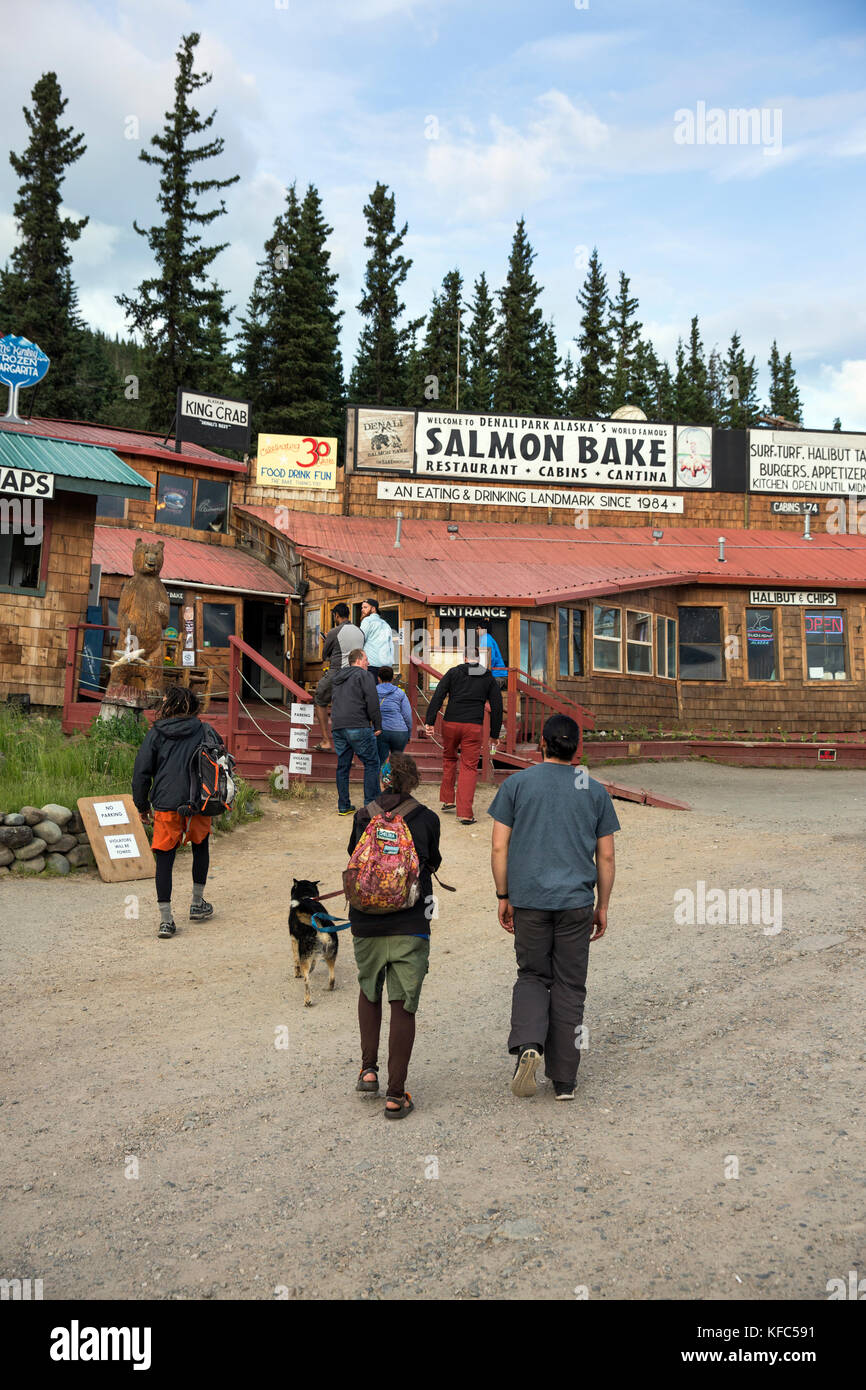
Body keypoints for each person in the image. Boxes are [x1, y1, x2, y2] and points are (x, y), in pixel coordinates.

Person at [488, 713, 619, 1101]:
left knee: (532, 975)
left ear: (541, 744)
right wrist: (603, 905)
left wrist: (503, 895)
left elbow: (499, 846)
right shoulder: (593, 790)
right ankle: (564, 1079)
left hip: (529, 900)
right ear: (576, 748)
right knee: (569, 985)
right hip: (576, 902)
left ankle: (529, 1043)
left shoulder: (517, 784)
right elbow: (606, 858)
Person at [349, 753, 441, 1118]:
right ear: (414, 782)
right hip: (410, 922)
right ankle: (395, 1094)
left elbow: (353, 858)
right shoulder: (428, 819)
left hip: (366, 920)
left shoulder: (362, 816)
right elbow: (431, 861)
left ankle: (368, 1070)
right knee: (402, 1003)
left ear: (384, 780)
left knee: (369, 989)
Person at [132, 684, 218, 940]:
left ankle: (166, 920)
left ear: (167, 706)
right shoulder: (204, 729)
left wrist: (142, 805)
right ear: (191, 706)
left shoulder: (156, 733)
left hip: (166, 804)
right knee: (200, 847)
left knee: (165, 858)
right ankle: (197, 903)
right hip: (199, 802)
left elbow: (141, 773)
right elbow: (220, 759)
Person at [423, 650, 503, 825]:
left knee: (449, 758)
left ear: (465, 658)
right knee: (469, 767)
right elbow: (497, 706)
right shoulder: (487, 677)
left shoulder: (453, 672)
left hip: (450, 723)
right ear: (478, 659)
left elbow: (438, 695)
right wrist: (494, 735)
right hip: (473, 726)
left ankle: (448, 800)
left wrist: (429, 721)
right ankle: (465, 814)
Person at [330, 648, 382, 815]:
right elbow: (372, 701)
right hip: (358, 725)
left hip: (338, 726)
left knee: (343, 766)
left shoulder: (338, 678)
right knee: (372, 763)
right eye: (366, 659)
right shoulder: (365, 675)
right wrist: (378, 725)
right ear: (359, 660)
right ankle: (370, 805)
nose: (368, 663)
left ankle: (343, 806)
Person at [313, 603, 364, 752]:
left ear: (336, 615)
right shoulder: (360, 632)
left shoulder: (335, 631)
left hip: (338, 671)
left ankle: (325, 741)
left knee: (320, 699)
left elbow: (324, 655)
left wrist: (327, 640)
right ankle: (349, 745)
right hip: (356, 674)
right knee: (347, 707)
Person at [376, 666, 412, 767]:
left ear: (378, 678)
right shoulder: (400, 693)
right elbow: (407, 715)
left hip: (381, 730)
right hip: (400, 731)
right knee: (397, 761)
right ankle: (396, 781)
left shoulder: (372, 691)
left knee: (381, 761)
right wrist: (408, 734)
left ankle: (381, 782)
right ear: (392, 678)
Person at [359, 598, 395, 680]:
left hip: (372, 664)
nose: (362, 610)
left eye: (365, 607)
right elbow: (391, 646)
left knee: (371, 691)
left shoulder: (367, 621)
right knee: (383, 691)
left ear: (373, 609)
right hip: (386, 665)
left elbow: (361, 640)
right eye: (362, 607)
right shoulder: (386, 624)